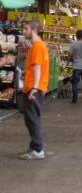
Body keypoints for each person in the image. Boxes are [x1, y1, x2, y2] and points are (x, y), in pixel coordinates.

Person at [19, 21, 49, 160]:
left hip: (33, 89)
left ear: (33, 30)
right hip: (33, 86)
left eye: (26, 29)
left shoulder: (37, 47)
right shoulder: (38, 46)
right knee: (31, 118)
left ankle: (37, 149)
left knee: (32, 119)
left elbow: (37, 68)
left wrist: (34, 88)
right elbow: (35, 68)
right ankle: (34, 147)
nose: (23, 31)